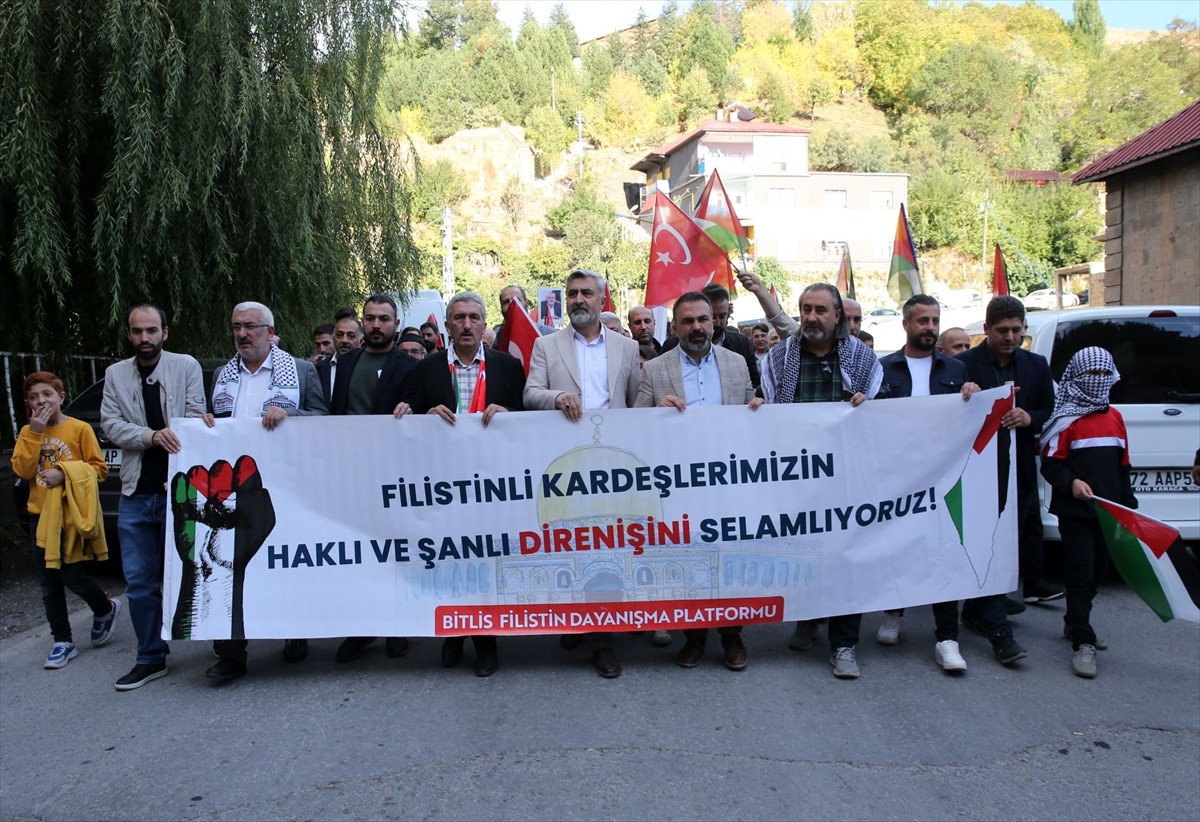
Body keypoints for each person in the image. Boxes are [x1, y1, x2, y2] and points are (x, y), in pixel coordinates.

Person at [634, 292, 762, 671]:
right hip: (679, 486)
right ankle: (694, 636)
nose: (697, 327)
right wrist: (654, 413)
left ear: (714, 321)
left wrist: (757, 407)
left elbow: (751, 404)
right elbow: (635, 421)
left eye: (703, 319)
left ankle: (732, 635)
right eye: (688, 321)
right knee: (689, 561)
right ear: (674, 327)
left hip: (726, 482)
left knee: (728, 561)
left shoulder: (736, 363)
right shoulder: (656, 370)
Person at [400, 292, 526, 677]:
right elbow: (406, 413)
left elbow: (528, 419)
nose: (467, 325)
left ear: (485, 323)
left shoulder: (508, 366)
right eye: (459, 318)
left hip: (492, 483)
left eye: (474, 317)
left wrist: (510, 414)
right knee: (452, 559)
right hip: (445, 485)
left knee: (484, 559)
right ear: (448, 325)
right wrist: (421, 414)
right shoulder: (427, 369)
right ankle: (456, 631)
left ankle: (486, 643)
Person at [760, 283, 883, 679]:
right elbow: (771, 413)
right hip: (797, 477)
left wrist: (868, 408)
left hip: (847, 478)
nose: (811, 317)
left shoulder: (863, 360)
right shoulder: (778, 359)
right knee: (806, 553)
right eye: (805, 309)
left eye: (820, 310)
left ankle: (844, 644)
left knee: (847, 557)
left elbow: (883, 417)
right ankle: (810, 619)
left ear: (838, 317)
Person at [524, 269, 641, 678]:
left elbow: (636, 401)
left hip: (613, 467)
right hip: (567, 466)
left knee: (608, 547)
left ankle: (603, 639)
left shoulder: (626, 348)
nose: (578, 299)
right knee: (572, 545)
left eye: (586, 293)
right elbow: (530, 392)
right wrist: (557, 396)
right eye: (572, 293)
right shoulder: (546, 345)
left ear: (602, 298)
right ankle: (582, 622)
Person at [205, 301, 328, 683]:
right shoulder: (223, 376)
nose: (243, 334)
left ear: (270, 332)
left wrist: (292, 416)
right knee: (226, 563)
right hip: (232, 489)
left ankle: (293, 631)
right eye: (237, 326)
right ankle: (230, 653)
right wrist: (205, 423)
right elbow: (216, 426)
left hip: (285, 485)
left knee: (283, 560)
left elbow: (323, 419)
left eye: (251, 327)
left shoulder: (303, 371)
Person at [102, 304, 207, 690]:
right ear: (129, 334)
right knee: (140, 582)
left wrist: (173, 443)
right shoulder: (115, 374)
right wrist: (150, 436)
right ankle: (150, 656)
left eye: (150, 330)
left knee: (196, 570)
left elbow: (196, 417)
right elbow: (111, 426)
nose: (143, 338)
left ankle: (218, 641)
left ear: (165, 332)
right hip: (134, 492)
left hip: (178, 490)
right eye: (136, 331)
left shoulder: (185, 367)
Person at [876, 295, 980, 672]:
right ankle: (893, 612)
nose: (930, 327)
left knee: (943, 553)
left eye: (935, 320)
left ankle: (947, 638)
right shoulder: (882, 369)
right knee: (899, 547)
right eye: (922, 321)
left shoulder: (956, 368)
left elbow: (972, 418)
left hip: (944, 478)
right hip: (899, 478)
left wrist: (972, 396)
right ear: (906, 324)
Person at [329, 293, 419, 663]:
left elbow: (422, 410)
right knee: (357, 553)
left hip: (393, 473)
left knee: (394, 553)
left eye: (384, 319)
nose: (376, 325)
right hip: (351, 472)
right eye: (370, 318)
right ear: (362, 322)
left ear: (396, 324)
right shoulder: (345, 363)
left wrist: (412, 409)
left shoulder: (410, 366)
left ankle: (397, 628)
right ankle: (361, 626)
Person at [957, 295, 1061, 610]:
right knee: (981, 533)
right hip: (976, 468)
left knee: (1017, 528)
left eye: (1017, 330)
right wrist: (965, 394)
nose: (1011, 337)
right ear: (987, 329)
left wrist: (1029, 417)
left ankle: (1003, 595)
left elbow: (1050, 409)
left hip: (1020, 466)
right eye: (1003, 330)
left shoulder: (1036, 365)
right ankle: (982, 601)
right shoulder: (963, 365)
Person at [12, 372, 120, 670]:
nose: (41, 401)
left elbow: (98, 469)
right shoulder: (27, 432)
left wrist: (65, 472)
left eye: (47, 394)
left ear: (61, 396)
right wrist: (34, 432)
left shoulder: (80, 429)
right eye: (33, 397)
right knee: (48, 583)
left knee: (73, 576)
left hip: (71, 515)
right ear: (27, 404)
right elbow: (22, 470)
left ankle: (105, 607)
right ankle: (62, 640)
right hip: (40, 517)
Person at [1040, 347, 1134, 678]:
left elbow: (1122, 466)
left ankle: (1073, 622)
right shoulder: (1065, 419)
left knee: (1097, 573)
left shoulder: (1116, 418)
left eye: (1102, 374)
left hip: (1109, 514)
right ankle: (1083, 642)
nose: (1096, 381)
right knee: (1080, 574)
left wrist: (1129, 506)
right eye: (1089, 375)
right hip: (1075, 513)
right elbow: (1051, 465)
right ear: (1076, 378)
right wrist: (1073, 483)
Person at [661, 284, 760, 388]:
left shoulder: (742, 344)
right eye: (711, 316)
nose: (717, 323)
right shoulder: (671, 346)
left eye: (722, 316)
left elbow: (754, 386)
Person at [318, 314, 364, 403]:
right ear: (334, 339)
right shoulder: (319, 369)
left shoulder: (368, 367)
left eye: (351, 336)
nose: (344, 341)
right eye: (340, 335)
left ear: (361, 341)